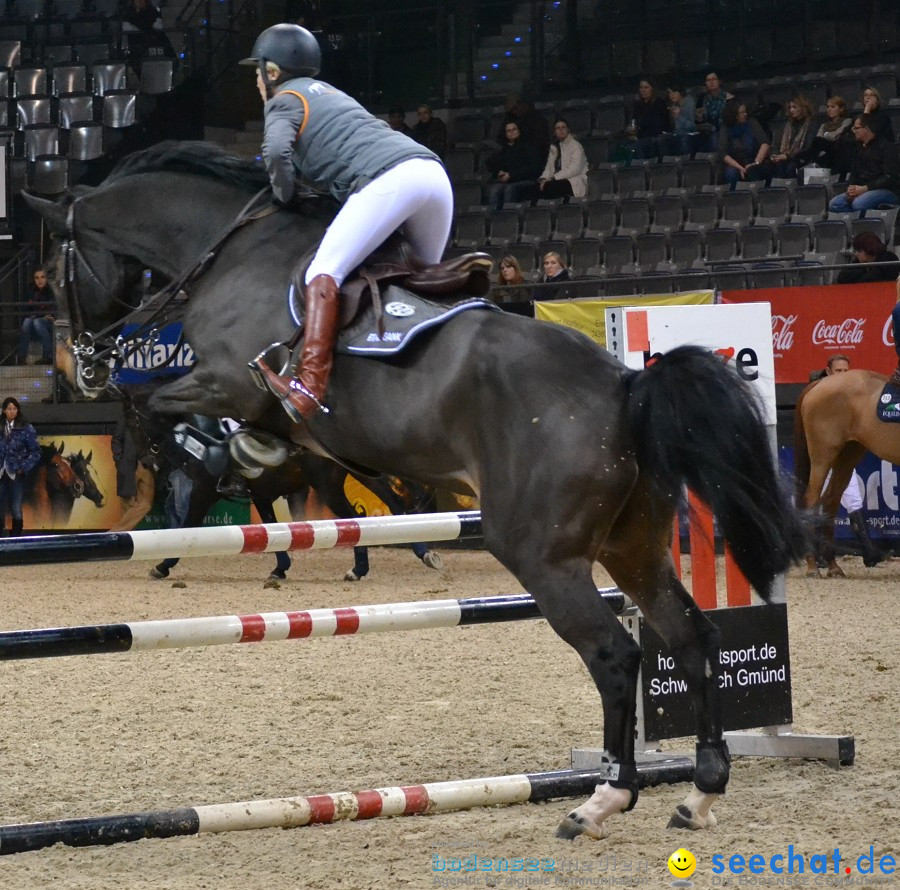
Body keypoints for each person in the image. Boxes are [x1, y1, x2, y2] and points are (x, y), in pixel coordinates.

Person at [242, 23, 453, 423]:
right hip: (433, 178)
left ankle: (309, 386)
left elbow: (275, 152)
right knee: (421, 286)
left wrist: (283, 196)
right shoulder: (335, 96)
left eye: (258, 72)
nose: (256, 81)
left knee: (324, 270)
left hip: (390, 181)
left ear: (273, 72)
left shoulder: (284, 99)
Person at [813, 354, 883, 567]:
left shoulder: (851, 396)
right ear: (828, 371)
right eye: (838, 371)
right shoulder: (819, 395)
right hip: (824, 456)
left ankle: (867, 550)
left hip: (843, 454)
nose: (843, 375)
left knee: (853, 498)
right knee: (817, 499)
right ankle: (816, 552)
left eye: (846, 371)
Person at [828, 114, 900, 214]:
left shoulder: (887, 147)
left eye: (856, 128)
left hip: (887, 190)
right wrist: (851, 188)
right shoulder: (858, 148)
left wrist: (865, 189)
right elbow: (854, 173)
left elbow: (889, 177)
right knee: (835, 204)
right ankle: (857, 224)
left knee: (859, 203)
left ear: (866, 129)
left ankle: (866, 225)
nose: (853, 131)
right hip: (862, 189)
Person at [0, 397, 41, 537]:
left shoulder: (25, 428)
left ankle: (16, 537)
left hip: (16, 472)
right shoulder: (0, 427)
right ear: (4, 410)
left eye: (14, 409)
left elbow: (35, 451)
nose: (12, 411)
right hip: (1, 471)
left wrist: (23, 467)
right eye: (9, 409)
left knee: (15, 507)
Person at [484, 121, 543, 211]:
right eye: (508, 131)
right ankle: (495, 218)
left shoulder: (529, 146)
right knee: (494, 190)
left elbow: (533, 168)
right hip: (509, 180)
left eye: (514, 129)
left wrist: (511, 175)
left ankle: (509, 217)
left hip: (526, 179)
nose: (511, 132)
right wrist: (499, 172)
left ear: (519, 131)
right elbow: (490, 163)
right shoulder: (504, 148)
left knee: (509, 189)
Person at [796, 96, 853, 175]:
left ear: (841, 109)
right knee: (817, 142)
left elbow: (837, 136)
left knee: (818, 142)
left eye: (833, 107)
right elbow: (818, 140)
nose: (829, 109)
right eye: (828, 107)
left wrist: (826, 134)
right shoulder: (824, 125)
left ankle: (805, 159)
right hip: (826, 153)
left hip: (838, 150)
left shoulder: (847, 121)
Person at [719, 102, 771, 189]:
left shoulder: (752, 122)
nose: (745, 114)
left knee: (753, 171)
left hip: (754, 161)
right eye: (742, 112)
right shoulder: (725, 128)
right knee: (730, 173)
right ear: (734, 115)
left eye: (745, 111)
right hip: (735, 163)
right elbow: (723, 153)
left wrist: (756, 163)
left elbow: (765, 143)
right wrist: (740, 168)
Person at [537, 119, 588, 201]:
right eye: (558, 128)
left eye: (563, 127)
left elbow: (574, 169)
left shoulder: (576, 146)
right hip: (555, 180)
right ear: (554, 132)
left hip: (572, 180)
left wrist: (554, 178)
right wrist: (544, 178)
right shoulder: (554, 147)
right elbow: (549, 167)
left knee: (551, 186)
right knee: (536, 187)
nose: (561, 130)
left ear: (568, 129)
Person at [121, 0, 176, 74]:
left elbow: (158, 26)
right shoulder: (129, 14)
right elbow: (127, 28)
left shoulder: (152, 12)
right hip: (137, 47)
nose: (139, 2)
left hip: (155, 44)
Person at [769, 96, 815, 180]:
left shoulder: (811, 125)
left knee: (791, 167)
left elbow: (808, 148)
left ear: (802, 108)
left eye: (794, 107)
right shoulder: (787, 126)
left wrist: (788, 156)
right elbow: (776, 144)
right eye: (790, 107)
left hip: (802, 158)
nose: (791, 110)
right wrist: (774, 155)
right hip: (785, 158)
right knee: (777, 166)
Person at [17, 267, 54, 365]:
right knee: (27, 322)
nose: (40, 280)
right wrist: (39, 315)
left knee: (37, 321)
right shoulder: (31, 291)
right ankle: (22, 357)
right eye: (36, 278)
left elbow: (52, 310)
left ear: (47, 278)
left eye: (42, 277)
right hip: (34, 323)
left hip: (50, 322)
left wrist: (36, 315)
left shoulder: (52, 291)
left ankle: (48, 356)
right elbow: (25, 310)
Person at [628, 78, 669, 161]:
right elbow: (634, 121)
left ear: (652, 89)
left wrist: (639, 137)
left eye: (646, 87)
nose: (643, 90)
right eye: (641, 87)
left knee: (637, 145)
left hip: (654, 137)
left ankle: (644, 169)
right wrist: (631, 129)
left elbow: (658, 126)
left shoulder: (659, 103)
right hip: (640, 137)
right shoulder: (638, 105)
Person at [836, 232, 900, 284]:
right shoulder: (860, 261)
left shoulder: (889, 258)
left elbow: (870, 279)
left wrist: (863, 272)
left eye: (859, 251)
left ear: (868, 249)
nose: (855, 254)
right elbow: (841, 277)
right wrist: (865, 270)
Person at [695, 72, 733, 151]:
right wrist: (699, 117)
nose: (711, 82)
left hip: (725, 129)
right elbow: (698, 121)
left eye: (714, 79)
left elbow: (731, 119)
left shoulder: (728, 97)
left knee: (715, 139)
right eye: (708, 80)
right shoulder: (702, 98)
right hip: (707, 130)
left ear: (719, 81)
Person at [665, 84, 697, 156]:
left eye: (675, 92)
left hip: (688, 134)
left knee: (683, 140)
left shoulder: (689, 103)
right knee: (663, 140)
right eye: (670, 92)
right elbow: (672, 126)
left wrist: (679, 116)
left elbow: (692, 127)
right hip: (675, 133)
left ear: (681, 92)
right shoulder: (672, 105)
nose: (672, 95)